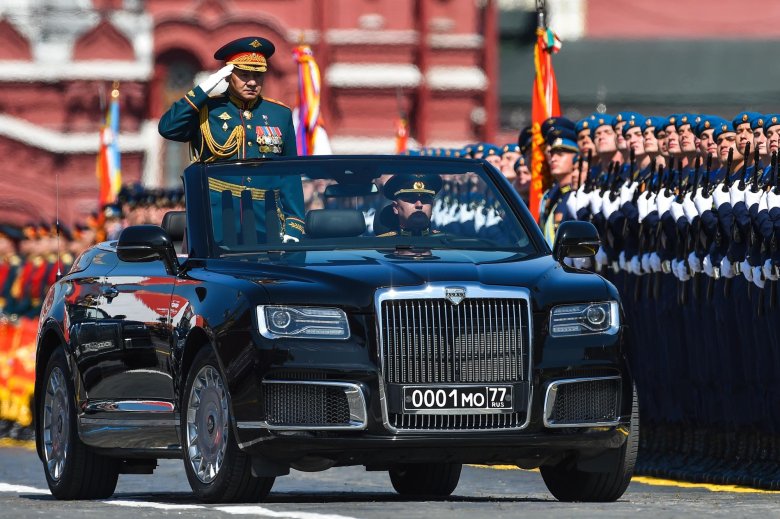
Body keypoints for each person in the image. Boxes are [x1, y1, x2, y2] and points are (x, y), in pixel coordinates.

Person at [159, 36, 304, 242]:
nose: (252, 82)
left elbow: (290, 174)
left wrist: (294, 225)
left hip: (267, 220)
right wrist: (203, 90)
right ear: (228, 76)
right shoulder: (207, 110)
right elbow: (168, 128)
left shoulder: (279, 114)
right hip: (216, 220)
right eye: (244, 75)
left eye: (258, 75)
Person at [376, 174, 443, 237]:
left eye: (425, 199)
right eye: (411, 199)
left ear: (432, 207)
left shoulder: (446, 243)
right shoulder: (383, 245)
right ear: (395, 208)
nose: (419, 205)